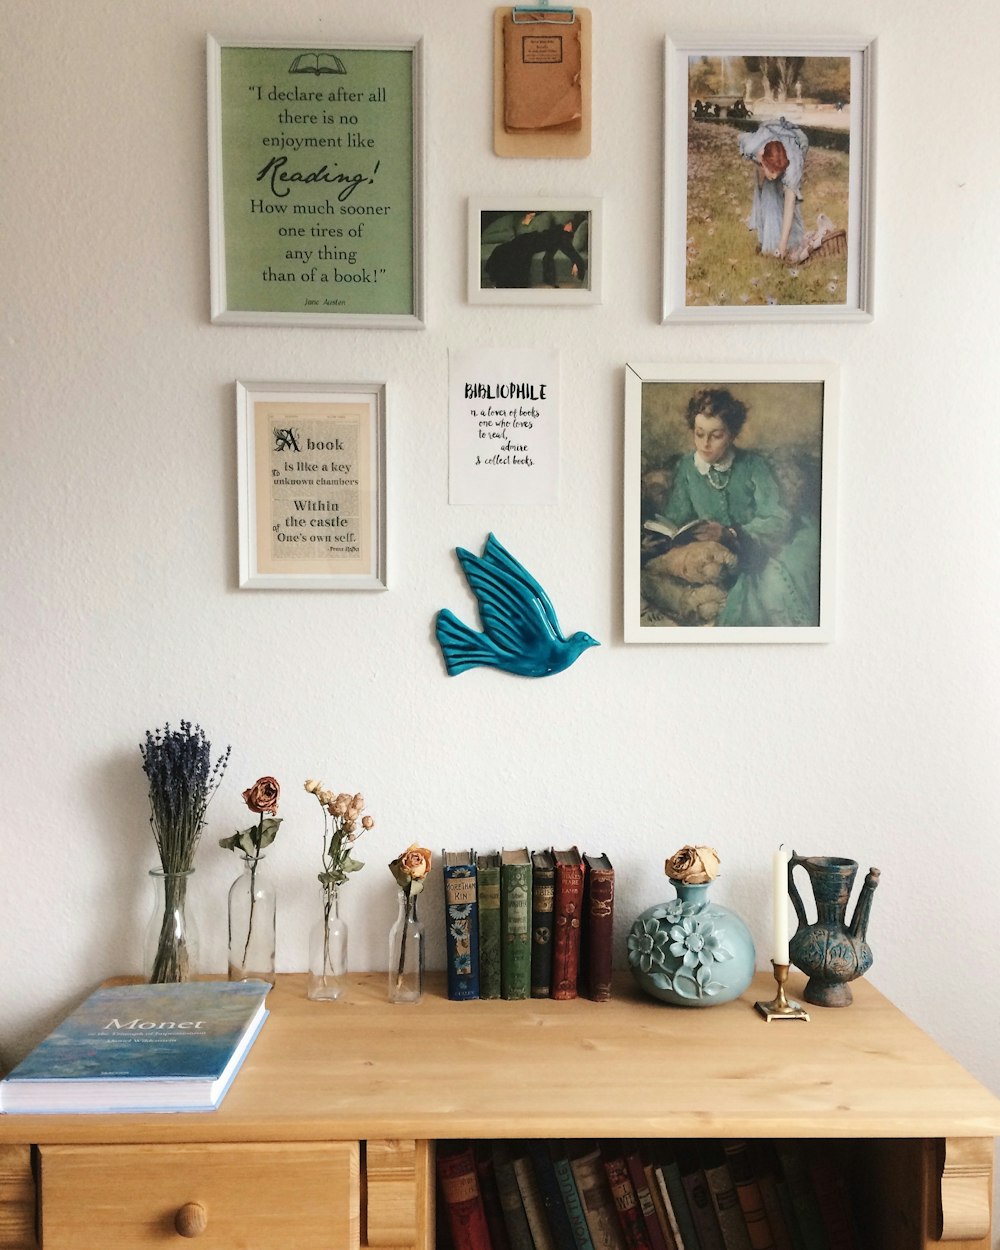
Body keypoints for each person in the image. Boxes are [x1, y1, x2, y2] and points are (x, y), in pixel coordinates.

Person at [652, 388, 819, 628]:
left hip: (765, 545)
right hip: (720, 553)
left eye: (716, 435)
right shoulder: (688, 468)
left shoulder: (753, 465)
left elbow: (778, 516)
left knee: (771, 586)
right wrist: (666, 535)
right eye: (699, 434)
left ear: (731, 434)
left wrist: (731, 533)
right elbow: (675, 515)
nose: (705, 444)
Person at [738, 116, 808, 259]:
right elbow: (741, 138)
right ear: (762, 159)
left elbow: (789, 206)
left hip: (795, 143)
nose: (775, 176)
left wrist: (782, 246)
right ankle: (767, 243)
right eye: (772, 170)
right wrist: (762, 176)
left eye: (778, 172)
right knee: (768, 194)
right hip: (767, 140)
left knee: (786, 201)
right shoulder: (753, 147)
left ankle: (788, 244)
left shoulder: (793, 165)